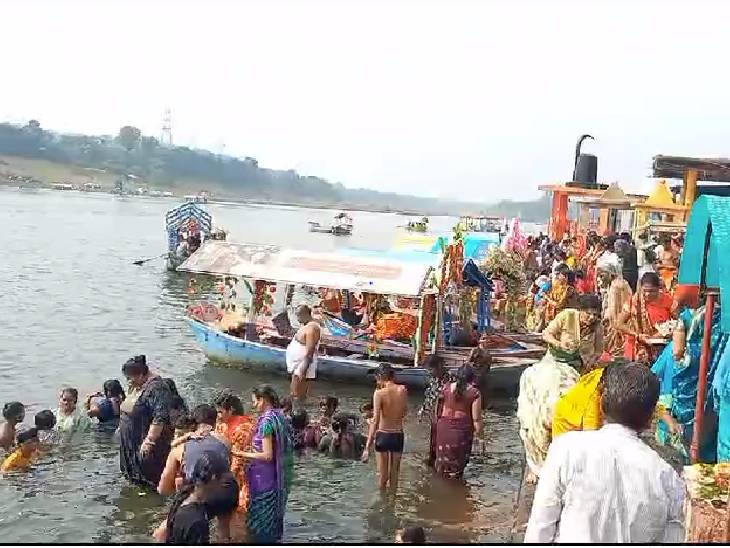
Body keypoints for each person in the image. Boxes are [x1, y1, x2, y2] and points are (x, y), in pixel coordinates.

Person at [525, 362, 684, 543]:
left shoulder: (565, 450)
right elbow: (675, 535)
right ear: (649, 421)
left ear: (601, 405)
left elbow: (540, 528)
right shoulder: (666, 477)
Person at [517, 294, 602, 484]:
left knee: (568, 410)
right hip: (553, 364)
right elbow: (546, 334)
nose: (591, 318)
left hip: (577, 371)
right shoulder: (566, 316)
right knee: (536, 409)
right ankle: (535, 464)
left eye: (595, 315)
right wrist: (558, 344)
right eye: (588, 314)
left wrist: (591, 360)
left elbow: (598, 351)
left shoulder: (597, 327)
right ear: (580, 311)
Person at [652, 302, 728, 462]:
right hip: (675, 445)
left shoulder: (715, 361)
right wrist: (668, 419)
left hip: (705, 447)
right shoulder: (673, 357)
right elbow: (653, 394)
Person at [157, 404, 239, 543]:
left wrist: (179, 485)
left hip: (203, 492)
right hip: (229, 488)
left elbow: (163, 489)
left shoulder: (179, 449)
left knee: (162, 531)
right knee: (223, 532)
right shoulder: (224, 441)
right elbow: (225, 465)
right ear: (215, 422)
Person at [236, 386, 293, 544]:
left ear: (263, 400)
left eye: (255, 402)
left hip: (264, 480)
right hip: (274, 477)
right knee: (271, 519)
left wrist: (241, 454)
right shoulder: (280, 416)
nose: (254, 406)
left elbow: (267, 455)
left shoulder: (267, 422)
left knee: (261, 521)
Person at [119, 355, 180, 487]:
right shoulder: (137, 386)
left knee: (150, 477)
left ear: (142, 374)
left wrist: (149, 441)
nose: (128, 381)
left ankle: (155, 501)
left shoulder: (157, 388)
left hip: (146, 441)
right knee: (135, 479)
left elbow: (160, 417)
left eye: (130, 378)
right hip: (132, 442)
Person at [160, 450, 230, 545]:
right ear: (213, 478)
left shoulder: (183, 497)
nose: (224, 483)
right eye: (223, 479)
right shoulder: (197, 522)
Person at [362, 363, 408, 491]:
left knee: (383, 478)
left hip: (383, 435)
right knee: (394, 477)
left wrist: (367, 447)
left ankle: (381, 505)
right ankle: (392, 503)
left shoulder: (379, 393)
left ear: (380, 376)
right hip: (398, 435)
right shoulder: (403, 390)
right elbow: (404, 412)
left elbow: (376, 421)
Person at [434, 366, 483, 479]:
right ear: (472, 379)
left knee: (442, 463)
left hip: (444, 428)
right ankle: (456, 491)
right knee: (458, 467)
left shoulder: (445, 388)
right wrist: (481, 437)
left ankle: (438, 490)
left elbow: (438, 410)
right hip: (462, 431)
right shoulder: (474, 392)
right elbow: (476, 419)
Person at [617, 272, 675, 365]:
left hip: (661, 348)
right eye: (645, 291)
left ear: (658, 289)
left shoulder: (668, 300)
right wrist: (637, 335)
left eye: (652, 291)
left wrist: (666, 332)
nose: (647, 294)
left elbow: (678, 322)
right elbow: (619, 324)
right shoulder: (634, 301)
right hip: (636, 348)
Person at [214, 392, 256, 510]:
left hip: (242, 477)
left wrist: (224, 483)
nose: (218, 416)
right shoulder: (222, 425)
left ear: (231, 410)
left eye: (220, 412)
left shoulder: (244, 428)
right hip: (227, 473)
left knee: (240, 512)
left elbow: (238, 461)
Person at [596, 256, 633, 358]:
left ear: (610, 274)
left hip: (620, 321)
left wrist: (610, 320)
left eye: (602, 276)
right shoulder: (612, 285)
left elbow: (616, 308)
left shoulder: (617, 286)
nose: (600, 279)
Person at [417, 355, 449, 467]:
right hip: (434, 418)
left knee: (444, 446)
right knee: (434, 445)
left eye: (431, 369)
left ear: (439, 366)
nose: (430, 372)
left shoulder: (450, 380)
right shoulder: (433, 379)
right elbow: (430, 396)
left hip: (446, 418)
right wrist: (423, 409)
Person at [286, 305, 321, 403]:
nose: (297, 319)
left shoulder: (311, 329)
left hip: (303, 365)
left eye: (298, 315)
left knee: (296, 394)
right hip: (298, 364)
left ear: (305, 314)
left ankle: (298, 411)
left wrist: (302, 370)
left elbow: (310, 350)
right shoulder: (306, 325)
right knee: (294, 393)